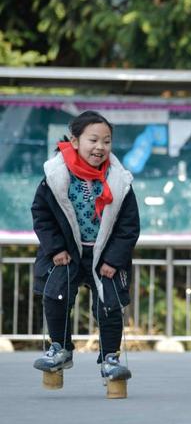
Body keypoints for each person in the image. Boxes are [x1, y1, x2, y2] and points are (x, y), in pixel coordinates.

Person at [32, 110, 140, 383]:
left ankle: (110, 357)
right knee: (56, 296)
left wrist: (114, 260)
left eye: (106, 141)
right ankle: (60, 349)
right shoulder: (55, 175)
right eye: (93, 140)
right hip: (66, 254)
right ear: (75, 141)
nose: (100, 147)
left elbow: (129, 226)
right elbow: (41, 215)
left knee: (110, 305)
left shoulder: (120, 180)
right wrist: (55, 249)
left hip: (105, 255)